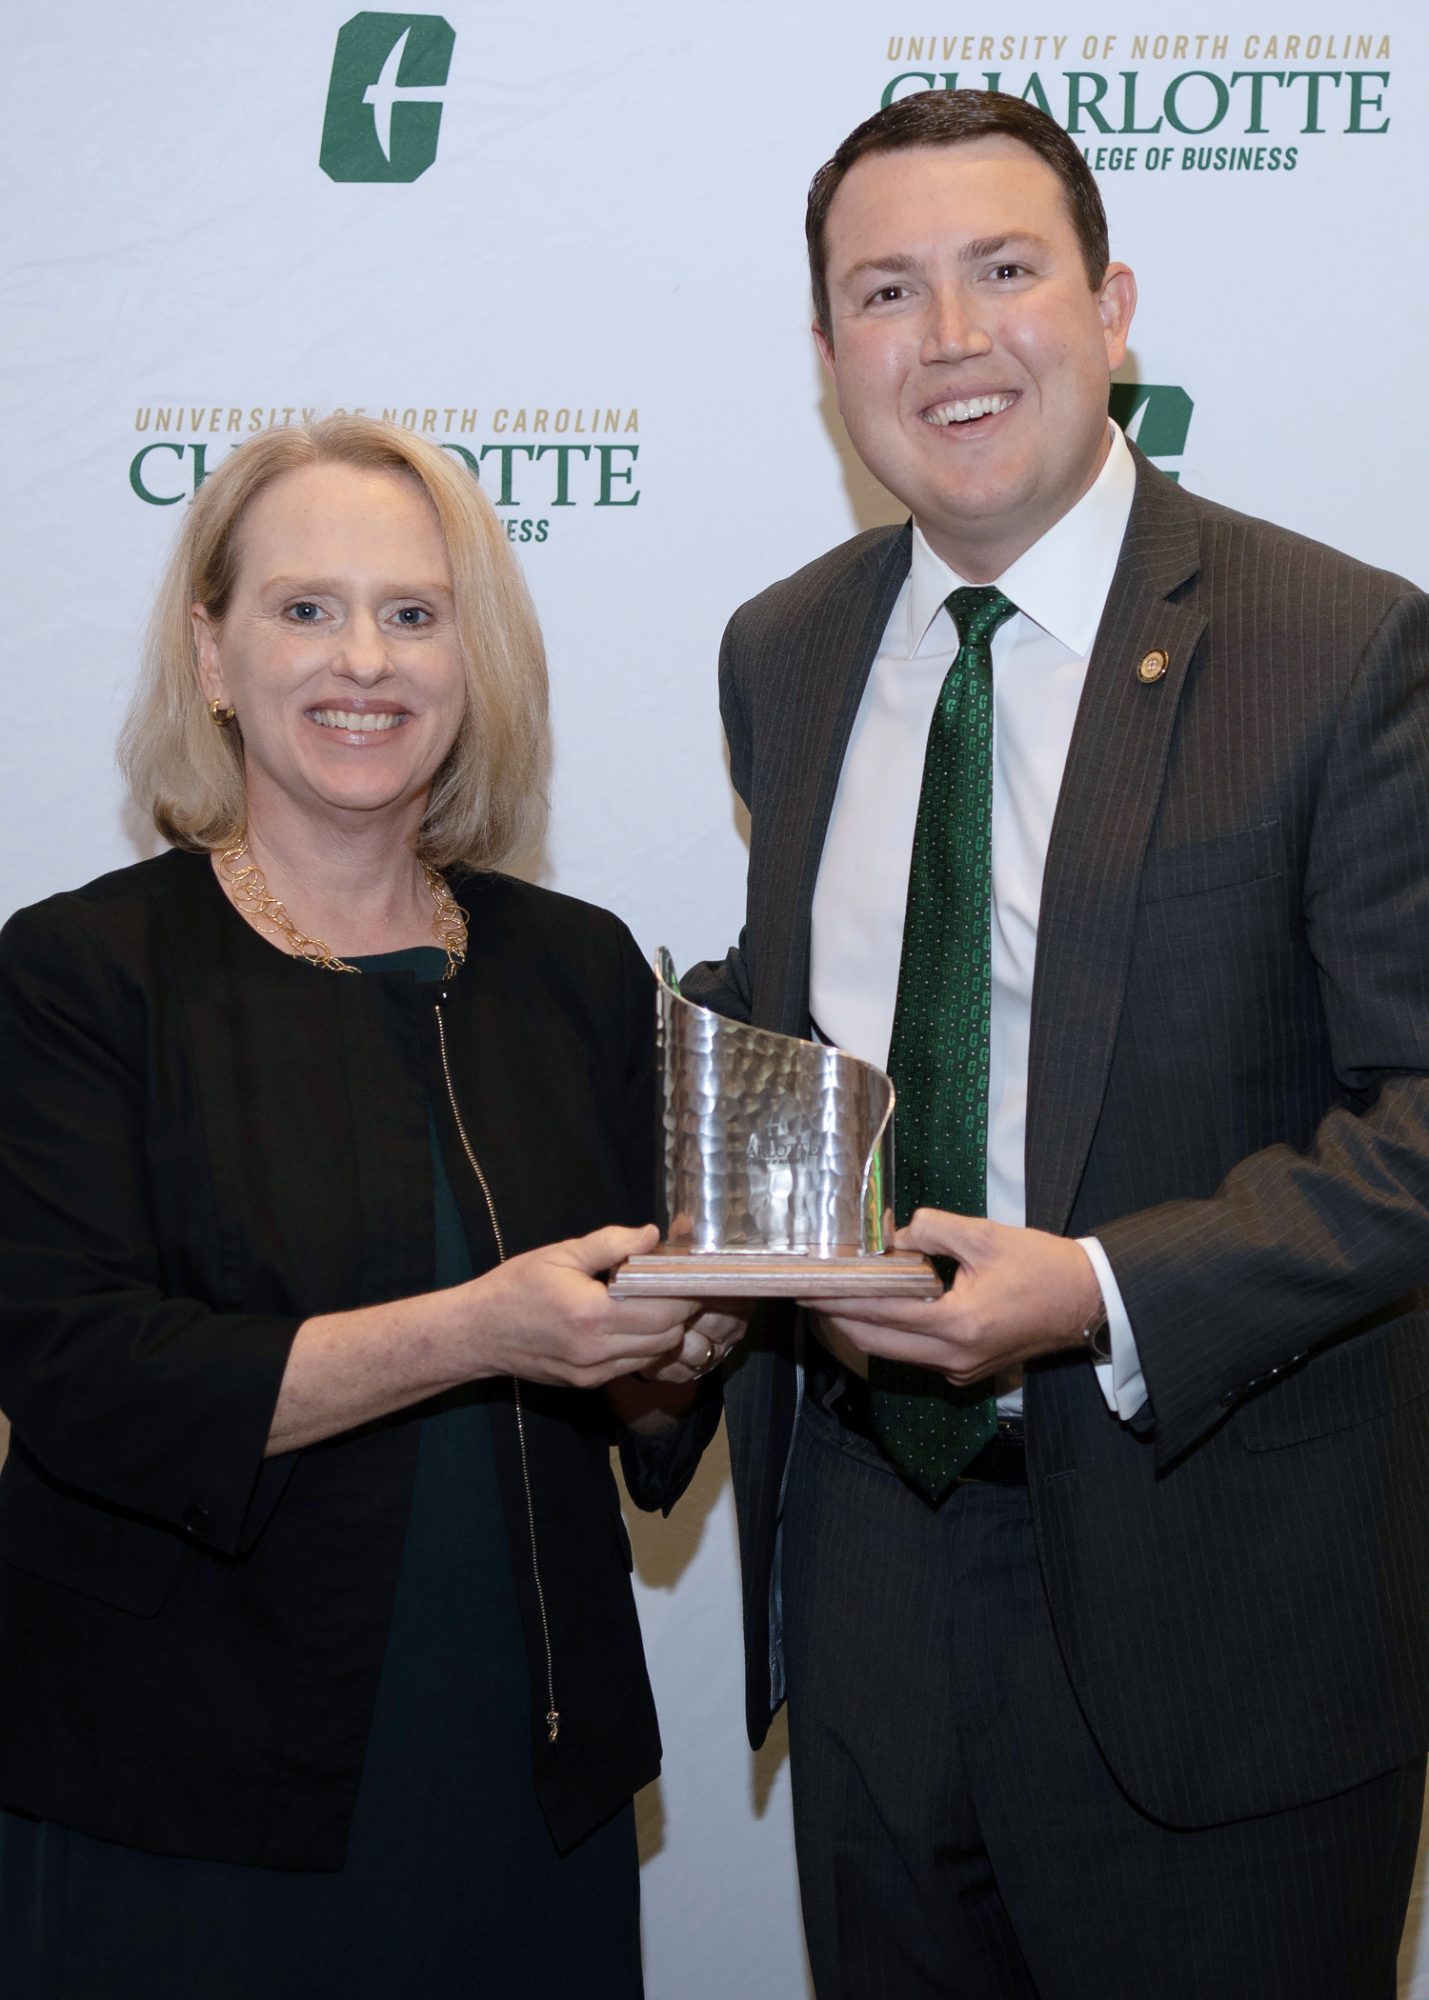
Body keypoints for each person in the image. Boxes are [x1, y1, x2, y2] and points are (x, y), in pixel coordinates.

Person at [685, 87, 1429, 2000]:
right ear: (827, 353)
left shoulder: (1337, 647)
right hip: (861, 1567)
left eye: (1001, 271)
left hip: (1219, 1605)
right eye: (883, 292)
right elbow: (802, 1039)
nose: (946, 339)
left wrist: (1097, 1290)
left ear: (1109, 309)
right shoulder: (781, 651)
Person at [0, 414, 741, 1999]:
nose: (366, 662)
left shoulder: (578, 967)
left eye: (415, 614)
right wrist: (476, 1330)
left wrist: (695, 1331)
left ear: (474, 662)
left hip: (522, 1780)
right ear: (211, 654)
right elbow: (76, 1379)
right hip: (181, 1799)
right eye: (304, 608)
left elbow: (640, 1399)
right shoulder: (80, 971)